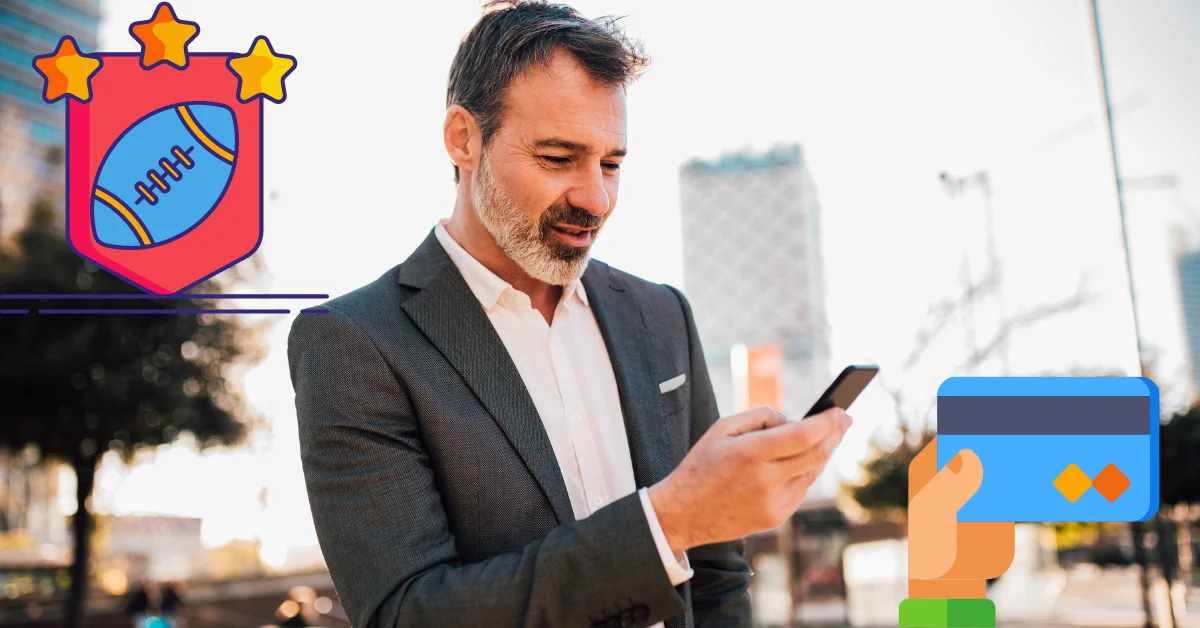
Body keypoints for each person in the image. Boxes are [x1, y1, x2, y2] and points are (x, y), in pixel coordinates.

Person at [288, 2, 853, 627]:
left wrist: (707, 511)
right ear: (463, 138)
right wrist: (668, 521)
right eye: (558, 159)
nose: (596, 198)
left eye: (611, 163)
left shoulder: (661, 315)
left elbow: (718, 576)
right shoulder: (355, 343)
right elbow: (408, 614)